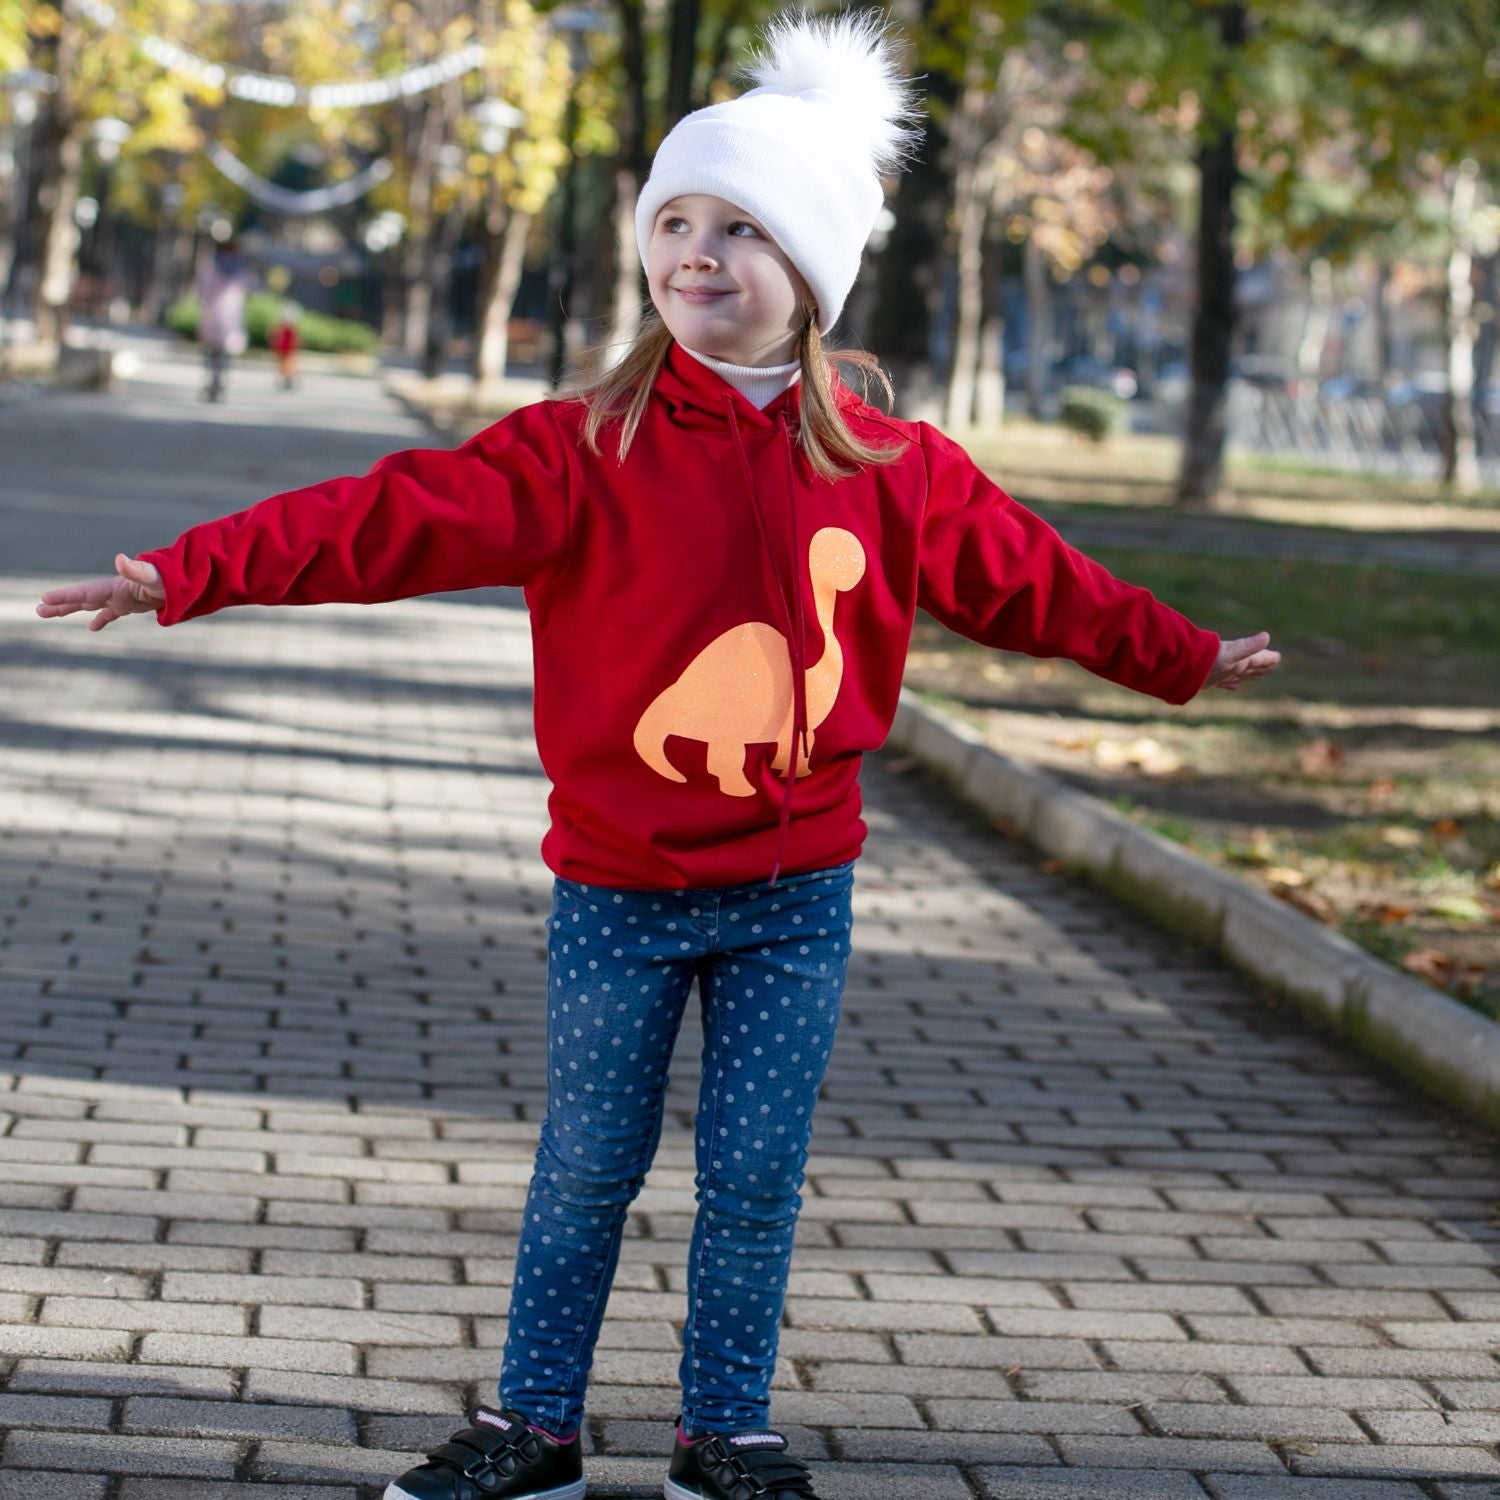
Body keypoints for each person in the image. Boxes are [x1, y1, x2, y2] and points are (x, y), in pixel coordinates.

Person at [35, 14, 1281, 1500]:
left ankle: (723, 1434)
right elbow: (387, 518)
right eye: (675, 222)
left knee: (751, 1186)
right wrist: (191, 570)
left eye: (742, 228)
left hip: (792, 896)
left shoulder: (895, 472)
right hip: (619, 892)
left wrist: (1178, 656)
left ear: (811, 271)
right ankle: (536, 1429)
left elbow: (1040, 582)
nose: (698, 251)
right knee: (584, 1175)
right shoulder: (583, 447)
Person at [194, 240, 255, 402]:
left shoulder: (211, 267)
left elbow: (202, 291)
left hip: (213, 314)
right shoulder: (239, 269)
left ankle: (212, 382)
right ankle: (220, 382)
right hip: (231, 315)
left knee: (211, 353)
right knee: (225, 355)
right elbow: (250, 288)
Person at [270, 300, 301, 390]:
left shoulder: (291, 328)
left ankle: (289, 380)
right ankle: (285, 380)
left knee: (289, 365)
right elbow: (275, 335)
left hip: (289, 348)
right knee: (283, 365)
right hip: (282, 348)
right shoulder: (281, 327)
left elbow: (296, 338)